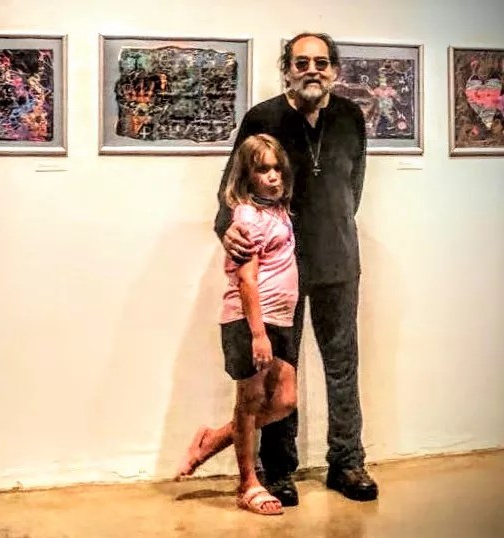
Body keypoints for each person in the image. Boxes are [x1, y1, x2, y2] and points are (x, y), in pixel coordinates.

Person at [175, 32, 378, 504]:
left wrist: (334, 229)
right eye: (302, 62)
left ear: (335, 70)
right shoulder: (263, 117)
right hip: (276, 268)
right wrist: (227, 229)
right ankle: (279, 470)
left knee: (343, 366)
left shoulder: (350, 117)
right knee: (278, 372)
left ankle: (347, 462)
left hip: (338, 262)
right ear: (286, 69)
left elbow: (353, 189)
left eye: (321, 62)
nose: (312, 70)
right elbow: (232, 188)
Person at [215, 133, 299, 515]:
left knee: (285, 399)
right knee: (249, 402)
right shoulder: (247, 217)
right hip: (251, 320)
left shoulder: (277, 210)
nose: (273, 176)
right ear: (247, 176)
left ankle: (216, 439)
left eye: (277, 168)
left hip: (279, 318)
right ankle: (248, 483)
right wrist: (258, 334)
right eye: (263, 170)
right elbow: (247, 279)